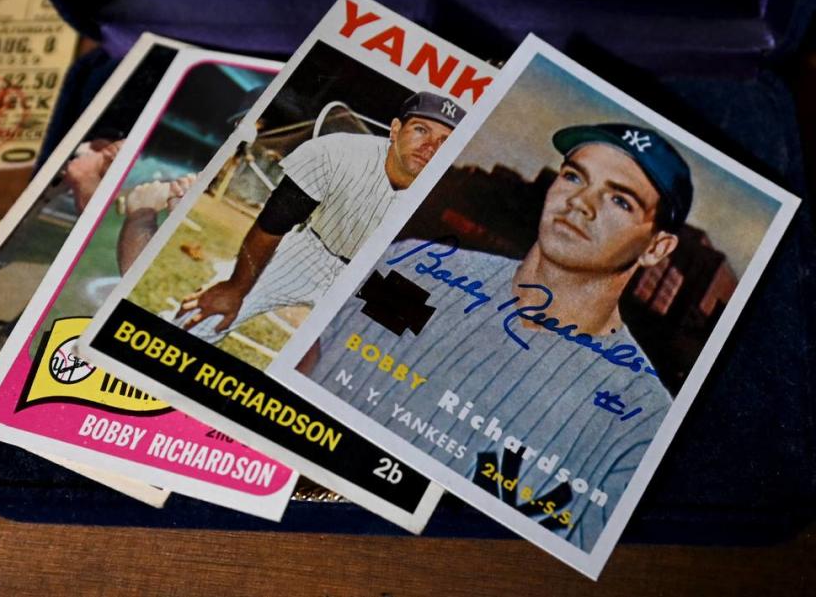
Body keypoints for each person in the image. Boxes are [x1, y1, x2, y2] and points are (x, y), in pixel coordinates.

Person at [302, 123, 693, 551]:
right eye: (574, 176)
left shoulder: (643, 419)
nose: (581, 202)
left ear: (656, 248)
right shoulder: (416, 267)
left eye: (619, 200)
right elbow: (308, 370)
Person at [173, 91, 466, 343]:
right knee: (202, 320)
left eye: (445, 141)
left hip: (380, 280)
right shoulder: (337, 151)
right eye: (421, 130)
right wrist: (235, 288)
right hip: (313, 251)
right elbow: (274, 224)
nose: (430, 147)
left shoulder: (451, 204)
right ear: (395, 129)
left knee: (379, 366)